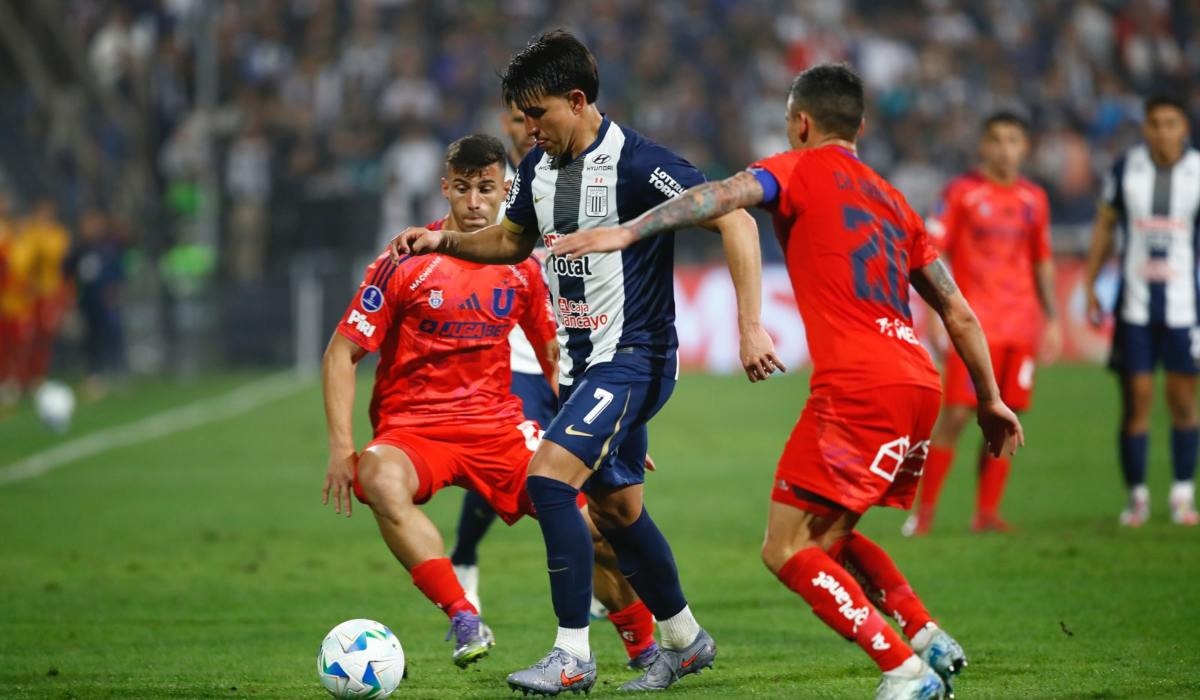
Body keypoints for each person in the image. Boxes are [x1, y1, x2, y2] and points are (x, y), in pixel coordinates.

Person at [551, 63, 1024, 700]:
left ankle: (904, 671)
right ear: (860, 126)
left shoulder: (796, 169)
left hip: (859, 385)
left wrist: (629, 229)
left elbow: (719, 197)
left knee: (785, 549)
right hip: (919, 382)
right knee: (830, 535)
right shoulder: (894, 202)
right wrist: (990, 398)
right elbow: (957, 311)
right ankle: (923, 632)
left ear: (801, 123)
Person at [392, 30, 781, 695]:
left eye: (537, 114)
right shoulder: (538, 171)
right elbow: (512, 241)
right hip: (580, 369)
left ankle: (571, 653)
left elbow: (737, 220)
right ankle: (685, 640)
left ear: (576, 101)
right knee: (616, 513)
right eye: (521, 116)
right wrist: (443, 241)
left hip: (634, 357)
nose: (527, 129)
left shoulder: (639, 164)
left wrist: (750, 327)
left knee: (548, 481)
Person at [322, 134, 652, 670]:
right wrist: (342, 448)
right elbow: (342, 352)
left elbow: (555, 356)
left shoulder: (521, 268)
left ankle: (645, 647)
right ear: (445, 189)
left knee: (597, 528)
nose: (474, 202)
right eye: (463, 189)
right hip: (414, 430)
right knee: (377, 477)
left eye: (486, 189)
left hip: (497, 429)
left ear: (506, 190)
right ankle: (463, 615)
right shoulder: (405, 261)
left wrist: (604, 429)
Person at [903, 112, 1060, 536]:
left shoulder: (1034, 199)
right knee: (956, 415)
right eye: (997, 139)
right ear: (983, 146)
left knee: (1008, 419)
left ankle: (986, 514)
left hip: (1020, 325)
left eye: (1013, 140)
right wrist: (937, 315)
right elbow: (931, 254)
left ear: (1025, 148)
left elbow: (1042, 260)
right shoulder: (961, 193)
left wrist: (1052, 318)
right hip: (974, 324)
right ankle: (924, 515)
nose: (1005, 149)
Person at [1084, 94, 1200, 527]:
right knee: (1137, 402)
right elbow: (1105, 226)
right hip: (1133, 308)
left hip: (1184, 310)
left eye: (1171, 123)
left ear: (1184, 128)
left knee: (1184, 403)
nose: (1163, 131)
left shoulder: (1198, 171)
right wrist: (1090, 282)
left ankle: (1182, 496)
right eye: (1156, 123)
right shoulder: (1125, 170)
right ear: (1146, 128)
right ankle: (1137, 498)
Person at [20, 198, 72, 390]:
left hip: (49, 292)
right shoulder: (29, 232)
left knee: (45, 335)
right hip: (28, 294)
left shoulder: (58, 234)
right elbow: (24, 259)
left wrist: (38, 238)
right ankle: (23, 376)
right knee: (26, 336)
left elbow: (53, 255)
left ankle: (39, 376)